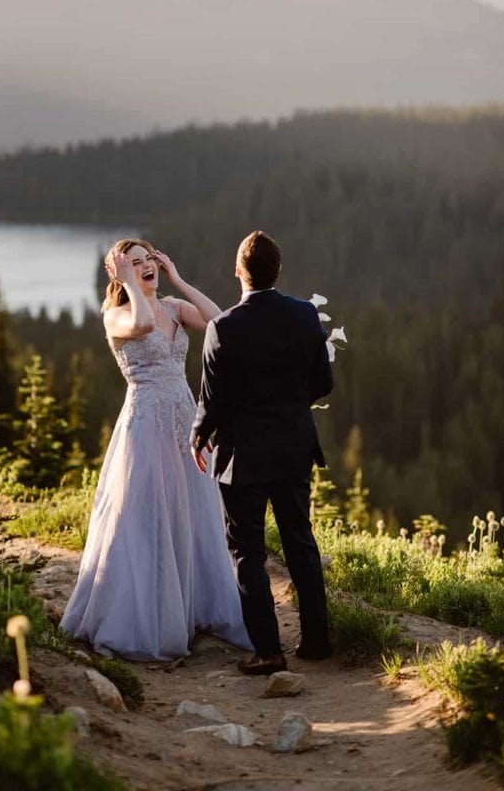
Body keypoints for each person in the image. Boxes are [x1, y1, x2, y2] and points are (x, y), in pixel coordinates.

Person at [61, 237, 251, 660]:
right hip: (145, 425)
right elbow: (144, 324)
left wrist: (178, 281)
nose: (146, 266)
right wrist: (129, 283)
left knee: (192, 511)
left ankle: (194, 607)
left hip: (185, 420)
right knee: (146, 512)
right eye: (135, 262)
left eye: (149, 259)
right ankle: (149, 618)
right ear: (118, 273)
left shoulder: (174, 307)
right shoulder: (115, 315)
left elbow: (220, 320)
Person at [191, 230, 334, 676]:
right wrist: (289, 406)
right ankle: (316, 641)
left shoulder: (223, 327)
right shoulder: (305, 314)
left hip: (242, 457)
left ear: (238, 272)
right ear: (278, 270)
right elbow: (323, 383)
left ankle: (269, 651)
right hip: (293, 447)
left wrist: (199, 435)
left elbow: (211, 400)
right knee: (300, 541)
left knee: (247, 552)